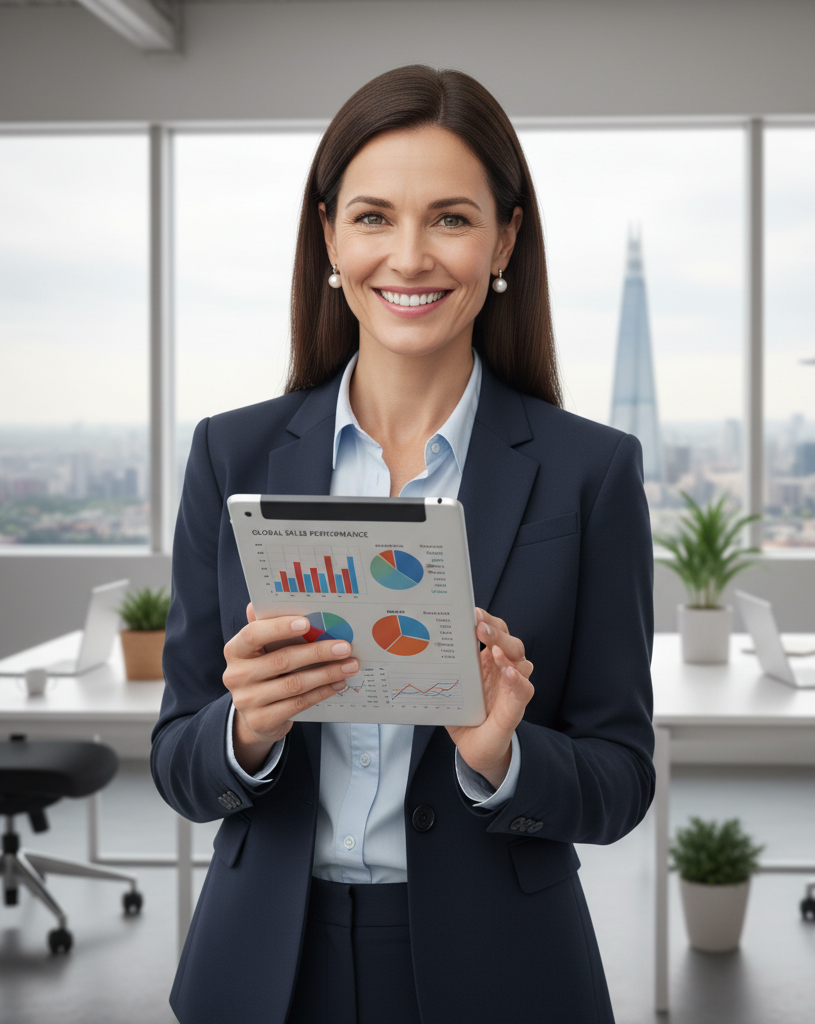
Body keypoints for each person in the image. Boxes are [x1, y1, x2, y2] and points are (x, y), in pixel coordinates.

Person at [152, 64, 655, 1024]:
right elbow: (178, 756)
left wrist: (502, 756)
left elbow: (622, 779)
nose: (410, 257)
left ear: (505, 239)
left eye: (451, 219)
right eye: (374, 217)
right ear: (330, 238)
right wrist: (246, 729)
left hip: (501, 972)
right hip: (264, 968)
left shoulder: (589, 472)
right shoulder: (232, 454)